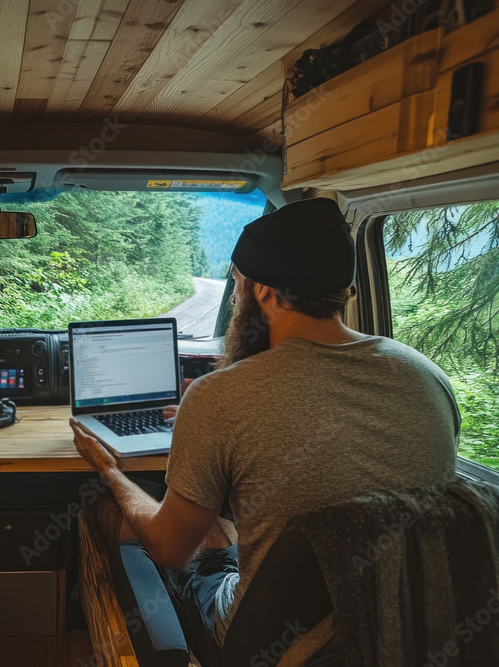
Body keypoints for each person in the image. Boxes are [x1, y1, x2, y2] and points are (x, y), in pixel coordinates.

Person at [71, 198, 460, 665]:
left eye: (238, 286)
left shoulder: (219, 396)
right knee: (217, 523)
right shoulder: (426, 375)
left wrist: (111, 470)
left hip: (272, 646)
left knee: (113, 509)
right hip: (407, 625)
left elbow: (169, 551)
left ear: (270, 294)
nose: (235, 300)